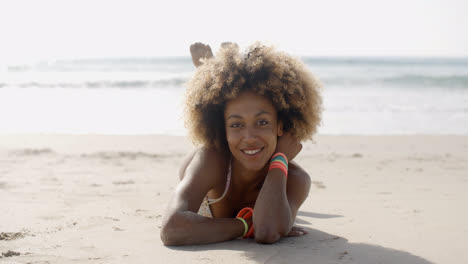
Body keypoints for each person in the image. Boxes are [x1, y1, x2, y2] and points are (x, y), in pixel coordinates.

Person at [161, 42, 322, 246]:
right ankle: (208, 71)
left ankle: (214, 75)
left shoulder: (297, 179)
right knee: (206, 148)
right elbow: (172, 229)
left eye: (262, 122)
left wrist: (280, 159)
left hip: (262, 174)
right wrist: (246, 224)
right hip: (212, 164)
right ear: (223, 129)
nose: (249, 137)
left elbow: (267, 232)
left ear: (280, 126)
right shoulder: (212, 159)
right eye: (236, 124)